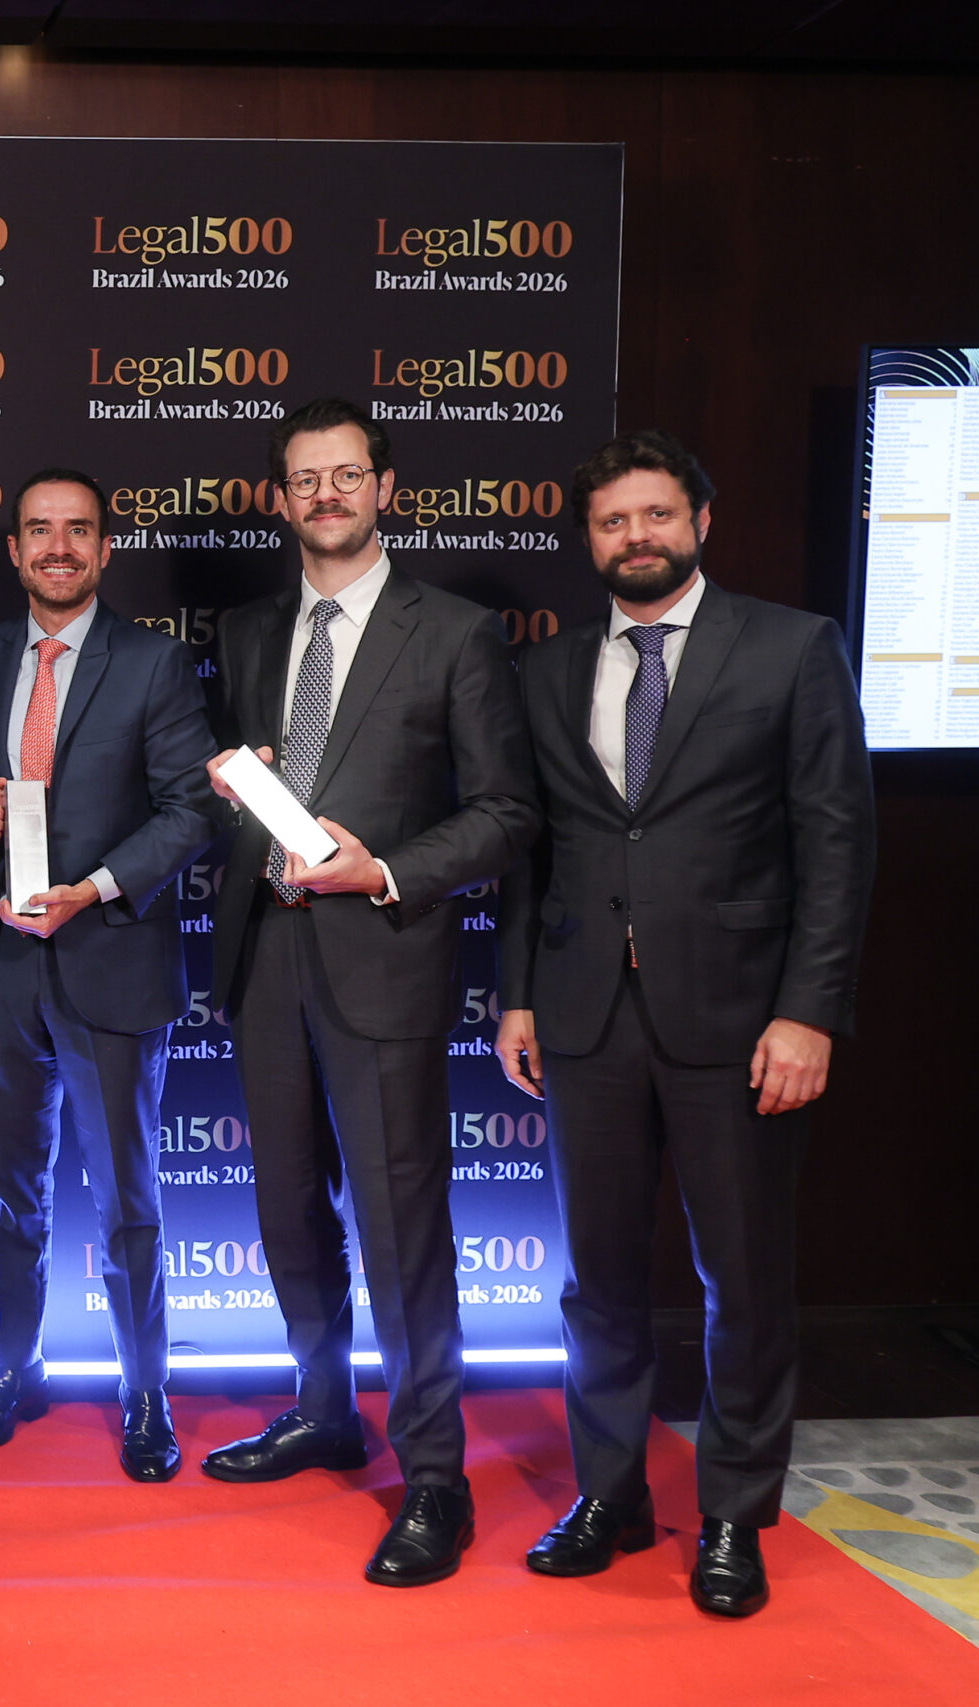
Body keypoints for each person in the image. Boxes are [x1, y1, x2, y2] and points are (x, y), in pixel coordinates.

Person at [497, 431, 875, 1618]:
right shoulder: (547, 670)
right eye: (612, 521)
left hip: (740, 1021)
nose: (636, 538)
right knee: (597, 1282)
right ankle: (607, 1495)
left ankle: (731, 1516)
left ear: (700, 522)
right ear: (589, 539)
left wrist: (808, 1013)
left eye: (656, 515)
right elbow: (533, 853)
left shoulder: (792, 648)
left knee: (743, 1283)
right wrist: (517, 993)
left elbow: (836, 844)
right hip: (585, 1019)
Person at [200, 397, 539, 1588]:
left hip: (383, 961)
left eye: (347, 475)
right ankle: (323, 1409)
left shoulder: (454, 633)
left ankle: (435, 1476)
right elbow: (246, 794)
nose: (327, 496)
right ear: (279, 500)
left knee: (401, 1230)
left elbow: (506, 812)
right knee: (285, 1212)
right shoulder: (248, 631)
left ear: (384, 488)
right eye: (305, 479)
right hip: (265, 958)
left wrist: (384, 868)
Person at [0, 468, 219, 1481]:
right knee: (9, 1192)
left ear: (105, 549)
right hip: (3, 964)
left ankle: (144, 1390)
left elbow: (192, 810)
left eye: (78, 531)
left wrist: (93, 887)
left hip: (110, 956)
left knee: (126, 1200)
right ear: (13, 550)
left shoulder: (154, 663)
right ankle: (11, 1368)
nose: (57, 547)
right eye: (39, 531)